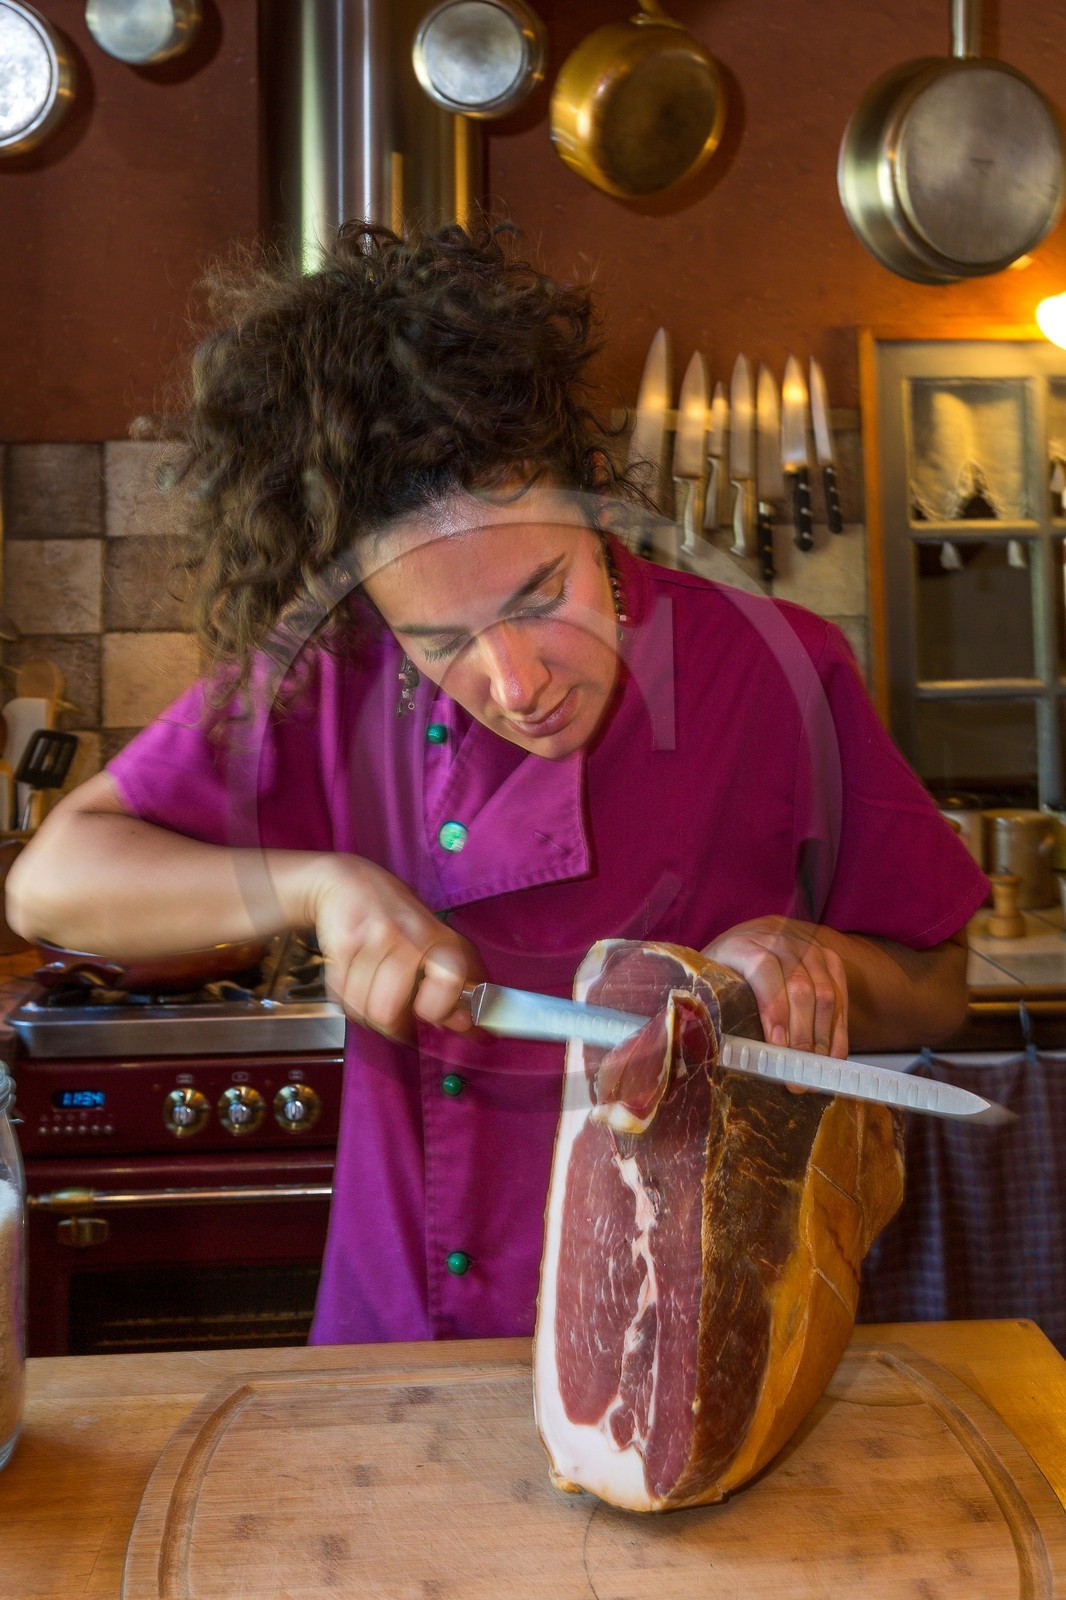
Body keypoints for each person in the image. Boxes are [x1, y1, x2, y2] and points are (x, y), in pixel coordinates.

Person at [6, 222, 988, 1346]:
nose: (513, 683)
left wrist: (820, 961)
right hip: (405, 1341)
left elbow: (939, 982)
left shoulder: (779, 667)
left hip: (704, 1329)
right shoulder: (334, 676)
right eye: (440, 640)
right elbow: (50, 883)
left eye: (538, 595)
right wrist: (317, 886)